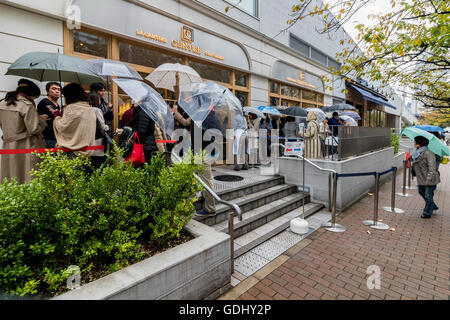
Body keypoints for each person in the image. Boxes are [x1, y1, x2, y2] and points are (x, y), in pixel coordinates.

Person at [0, 79, 47, 184]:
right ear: (31, 94)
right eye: (35, 96)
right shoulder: (26, 105)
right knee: (28, 175)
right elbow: (34, 128)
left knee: (11, 175)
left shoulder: (2, 103)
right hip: (27, 145)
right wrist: (42, 121)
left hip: (8, 144)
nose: (34, 99)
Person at [53, 83, 97, 158]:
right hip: (87, 150)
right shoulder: (90, 108)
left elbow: (62, 127)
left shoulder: (71, 108)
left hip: (71, 151)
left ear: (69, 96)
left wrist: (57, 115)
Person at [411, 136, 440, 219]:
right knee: (421, 192)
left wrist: (429, 179)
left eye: (415, 142)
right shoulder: (417, 152)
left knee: (428, 195)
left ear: (418, 144)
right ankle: (432, 205)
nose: (414, 143)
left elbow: (432, 167)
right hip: (422, 178)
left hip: (429, 178)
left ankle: (427, 212)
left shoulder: (428, 153)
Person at [37, 82, 61, 148]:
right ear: (47, 91)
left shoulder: (57, 105)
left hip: (56, 137)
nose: (57, 91)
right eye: (54, 89)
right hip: (48, 138)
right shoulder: (45, 102)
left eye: (59, 89)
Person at [88, 93, 108, 169]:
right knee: (99, 162)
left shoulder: (86, 110)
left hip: (88, 139)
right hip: (97, 140)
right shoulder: (97, 110)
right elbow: (102, 126)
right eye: (99, 99)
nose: (100, 101)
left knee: (90, 162)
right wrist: (107, 127)